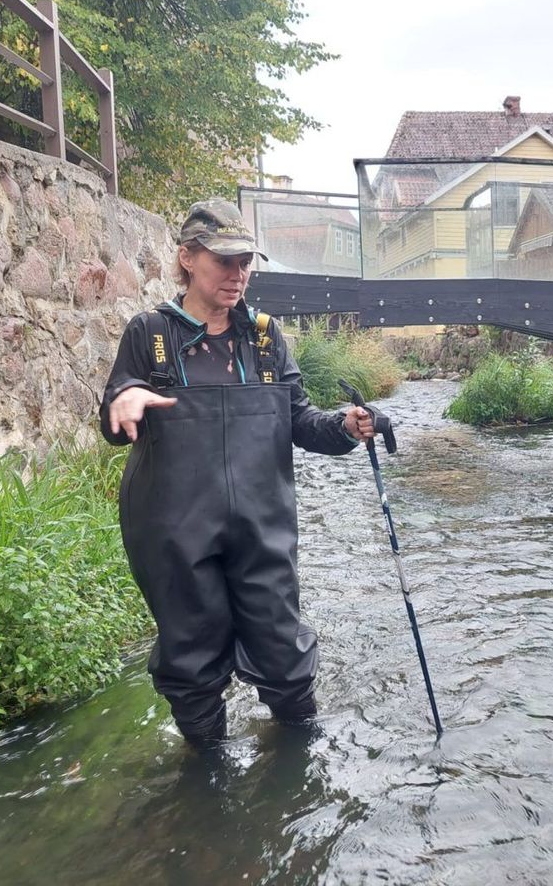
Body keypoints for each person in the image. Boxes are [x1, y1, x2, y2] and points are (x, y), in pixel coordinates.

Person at [98, 198, 376, 747]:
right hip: (173, 528)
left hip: (262, 523)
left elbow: (299, 419)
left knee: (282, 646)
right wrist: (125, 397)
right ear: (187, 258)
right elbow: (116, 410)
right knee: (191, 655)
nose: (238, 274)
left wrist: (346, 426)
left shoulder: (267, 338)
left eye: (245, 261)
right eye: (224, 261)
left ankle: (298, 758)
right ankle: (205, 776)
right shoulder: (150, 333)